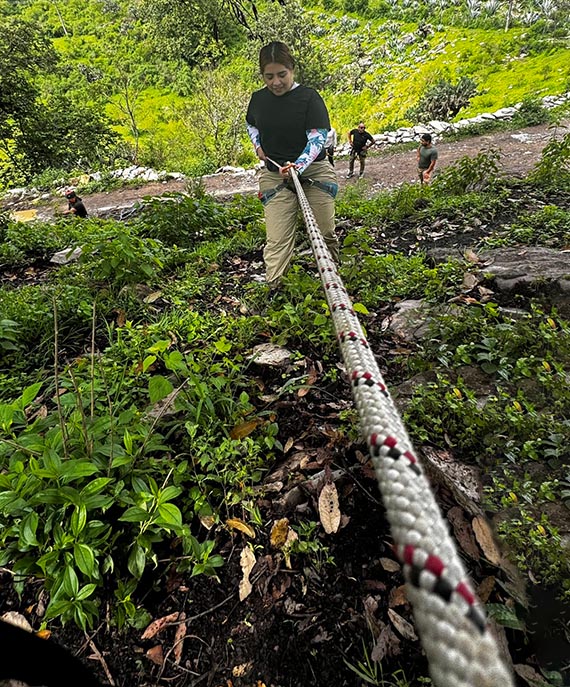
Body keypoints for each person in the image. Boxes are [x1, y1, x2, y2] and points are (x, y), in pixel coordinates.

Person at [246, 41, 339, 290]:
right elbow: (251, 124)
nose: (276, 82)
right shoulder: (258, 100)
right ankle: (275, 289)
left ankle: (332, 281)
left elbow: (318, 137)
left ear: (292, 70)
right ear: (262, 75)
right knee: (276, 240)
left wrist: (298, 165)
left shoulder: (309, 98)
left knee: (325, 233)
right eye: (269, 76)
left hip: (314, 172)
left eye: (281, 75)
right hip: (275, 176)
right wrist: (258, 146)